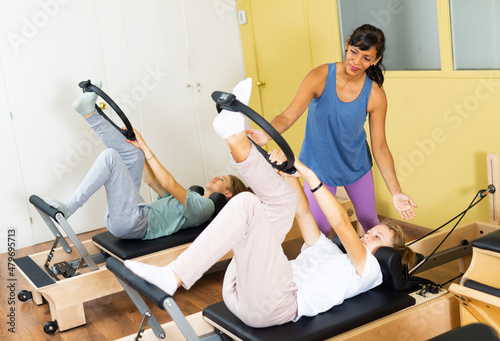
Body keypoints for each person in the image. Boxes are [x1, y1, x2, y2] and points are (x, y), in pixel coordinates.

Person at [124, 103, 416, 328]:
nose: (368, 235)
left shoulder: (369, 270)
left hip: (276, 304)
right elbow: (301, 211)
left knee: (249, 203)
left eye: (377, 236)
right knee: (279, 204)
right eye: (371, 231)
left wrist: (306, 170)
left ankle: (173, 276)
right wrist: (289, 172)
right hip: (245, 289)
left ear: (388, 252)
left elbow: (340, 223)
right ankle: (235, 139)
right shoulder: (328, 252)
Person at [247, 24, 418, 236]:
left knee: (368, 220)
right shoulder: (319, 76)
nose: (356, 62)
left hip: (355, 165)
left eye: (366, 58)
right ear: (347, 45)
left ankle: (376, 267)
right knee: (319, 228)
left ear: (376, 60)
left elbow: (380, 147)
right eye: (354, 52)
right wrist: (265, 134)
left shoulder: (375, 94)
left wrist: (396, 192)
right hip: (318, 165)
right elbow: (287, 115)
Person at [44, 80, 249, 240]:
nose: (216, 178)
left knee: (111, 157)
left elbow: (168, 183)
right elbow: (151, 181)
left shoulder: (205, 208)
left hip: (136, 223)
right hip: (131, 217)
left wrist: (146, 147)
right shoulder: (187, 201)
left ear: (227, 193)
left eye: (223, 180)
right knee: (132, 154)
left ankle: (68, 208)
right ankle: (89, 112)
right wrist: (134, 147)